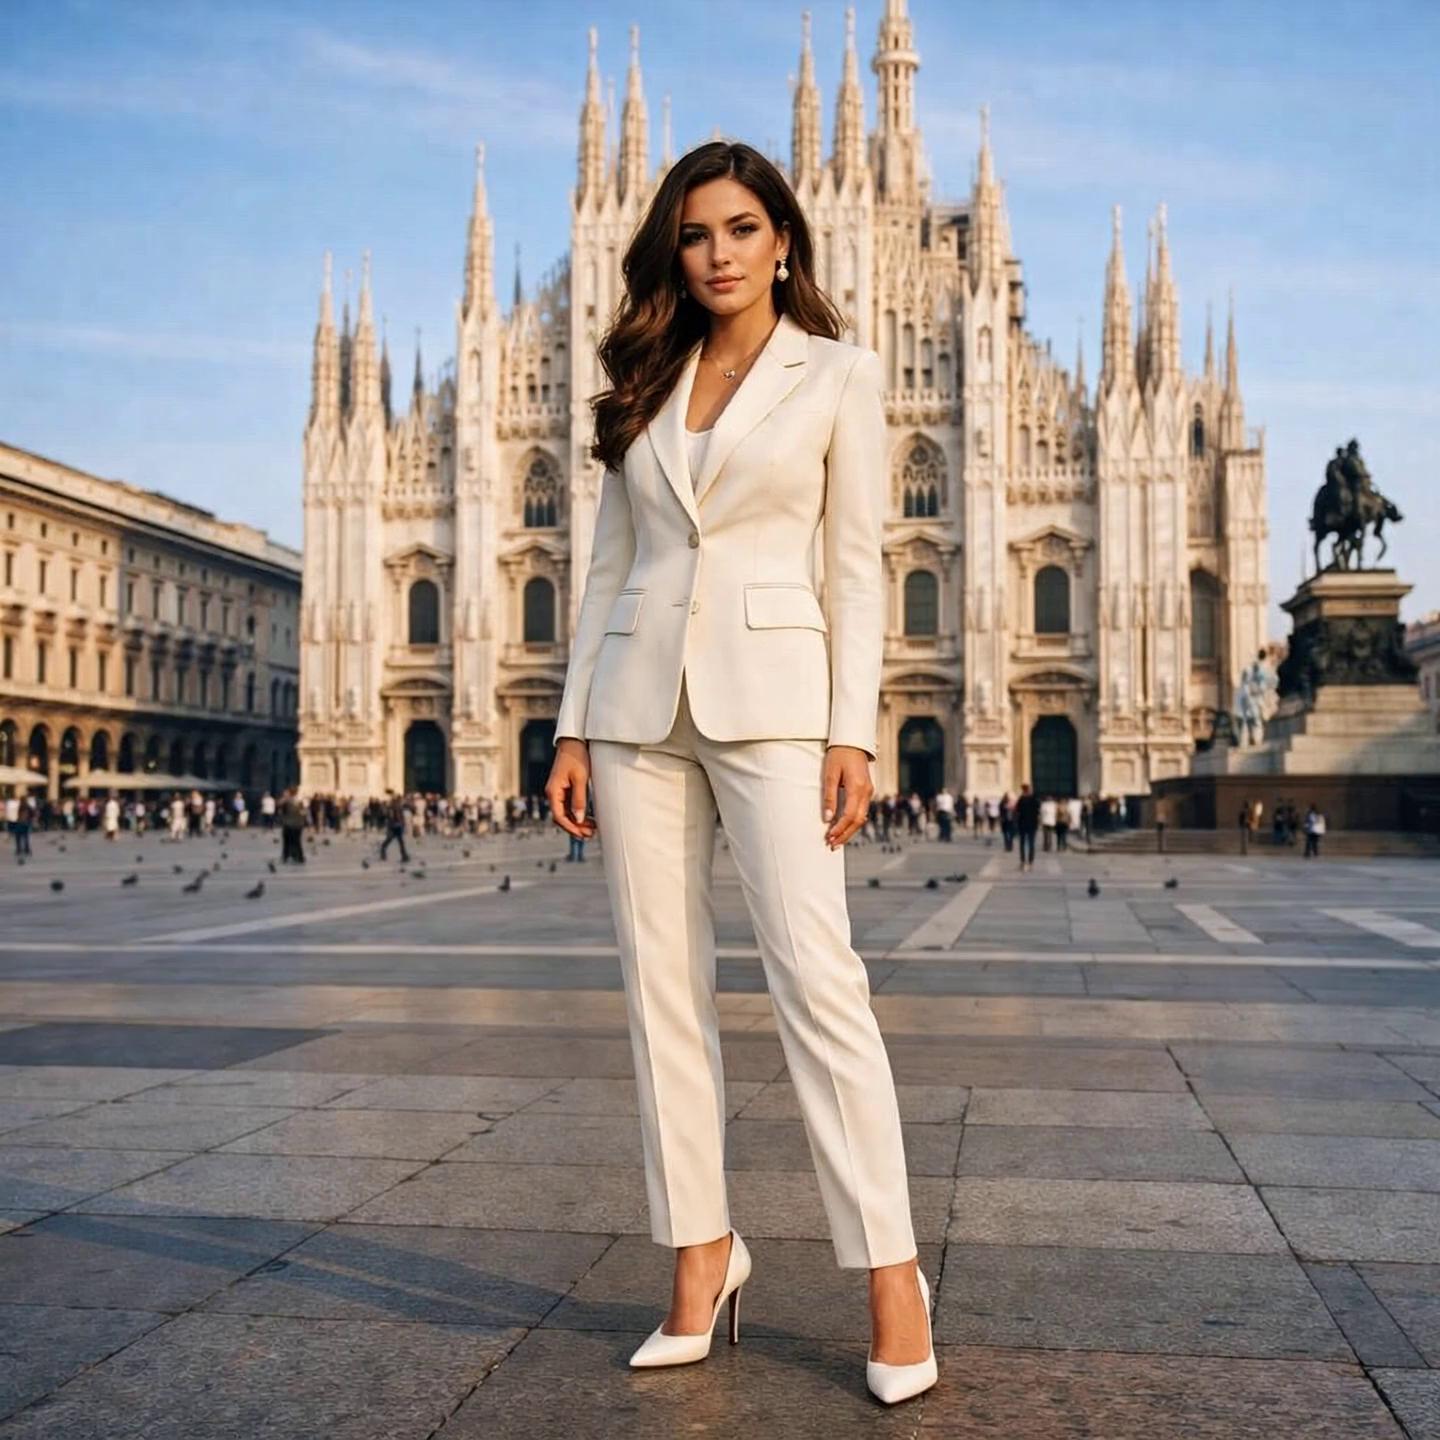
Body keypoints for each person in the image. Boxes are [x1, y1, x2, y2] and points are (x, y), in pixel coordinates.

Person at [542, 141, 932, 1403]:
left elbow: (856, 568)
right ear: (674, 246)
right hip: (635, 706)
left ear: (784, 243)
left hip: (774, 704)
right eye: (698, 232)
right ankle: (701, 1254)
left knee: (820, 983)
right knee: (662, 994)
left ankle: (889, 1273)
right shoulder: (644, 377)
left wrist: (853, 728)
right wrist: (567, 723)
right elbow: (608, 566)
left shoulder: (839, 375)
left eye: (743, 228)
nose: (720, 251)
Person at [1015, 782, 1040, 870]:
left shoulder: (1021, 799)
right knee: (1031, 843)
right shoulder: (1034, 799)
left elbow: (1017, 811)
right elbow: (1038, 811)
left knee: (1022, 844)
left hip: (1022, 824)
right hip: (1032, 824)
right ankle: (1031, 862)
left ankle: (1022, 861)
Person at [379, 790, 409, 863]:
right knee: (395, 840)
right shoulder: (395, 806)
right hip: (395, 825)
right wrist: (401, 823)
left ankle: (404, 855)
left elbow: (398, 816)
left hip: (395, 825)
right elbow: (394, 816)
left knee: (396, 841)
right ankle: (404, 856)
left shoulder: (395, 806)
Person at [277, 787, 306, 864]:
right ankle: (299, 857)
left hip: (289, 824)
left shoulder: (286, 802)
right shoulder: (300, 801)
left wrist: (283, 799)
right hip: (298, 825)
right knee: (297, 841)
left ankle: (286, 856)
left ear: (289, 793)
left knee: (287, 841)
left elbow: (279, 809)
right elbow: (303, 813)